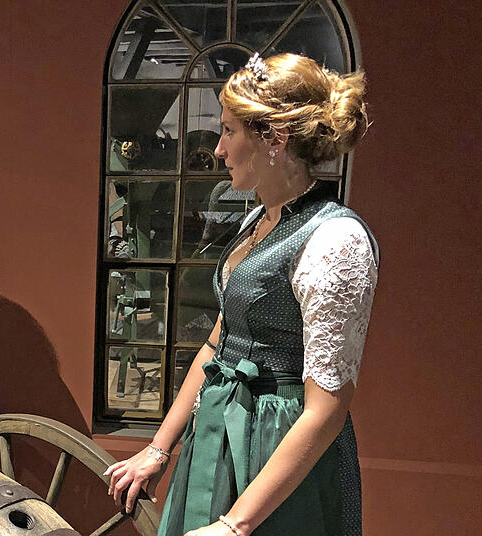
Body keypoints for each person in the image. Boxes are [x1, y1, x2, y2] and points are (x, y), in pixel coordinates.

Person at [105, 53, 378, 536]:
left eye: (229, 131)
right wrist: (158, 450)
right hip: (219, 432)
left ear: (275, 138)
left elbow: (326, 409)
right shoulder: (258, 220)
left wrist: (235, 524)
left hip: (277, 450)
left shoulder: (336, 240)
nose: (218, 150)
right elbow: (218, 343)